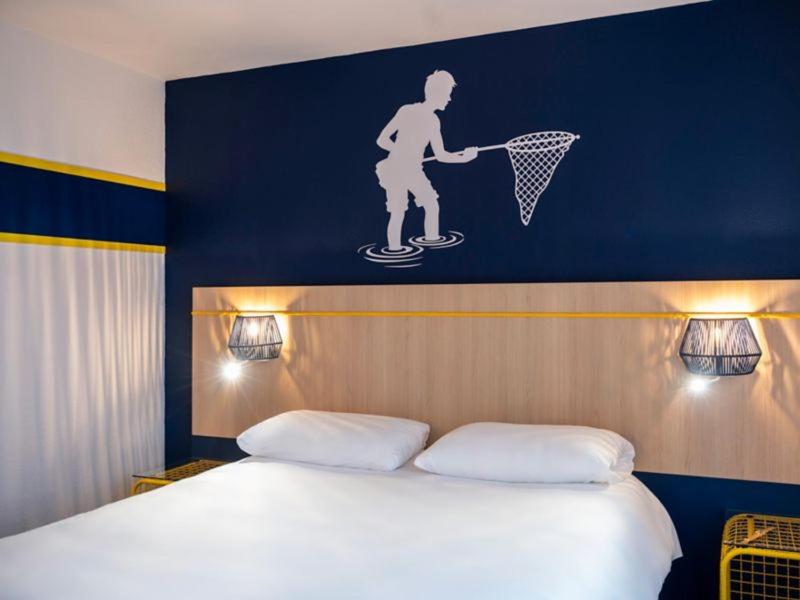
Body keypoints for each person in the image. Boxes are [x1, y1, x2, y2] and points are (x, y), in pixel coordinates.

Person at [375, 70, 478, 251]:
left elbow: (441, 155)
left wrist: (465, 157)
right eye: (447, 94)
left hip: (412, 169)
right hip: (396, 169)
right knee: (401, 212)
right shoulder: (407, 111)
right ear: (437, 93)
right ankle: (396, 251)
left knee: (428, 205)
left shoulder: (433, 121)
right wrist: (403, 152)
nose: (449, 99)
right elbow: (382, 140)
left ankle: (430, 241)